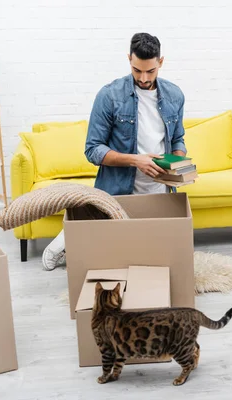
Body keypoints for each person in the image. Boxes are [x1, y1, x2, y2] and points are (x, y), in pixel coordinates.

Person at [42, 32, 187, 270]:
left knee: (149, 258)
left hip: (160, 188)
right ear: (129, 59)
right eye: (136, 70)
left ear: (161, 62)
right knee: (111, 258)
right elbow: (93, 150)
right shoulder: (109, 95)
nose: (142, 78)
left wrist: (177, 164)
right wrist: (135, 161)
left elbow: (178, 138)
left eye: (150, 71)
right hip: (120, 188)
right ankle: (63, 241)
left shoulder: (175, 95)